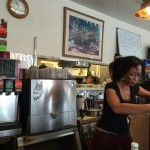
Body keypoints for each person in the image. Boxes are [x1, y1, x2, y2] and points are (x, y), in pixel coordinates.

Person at [90, 56, 150, 150]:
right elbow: (117, 107)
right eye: (132, 74)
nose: (136, 78)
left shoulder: (134, 87)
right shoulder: (111, 87)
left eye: (138, 75)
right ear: (123, 73)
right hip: (104, 136)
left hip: (124, 136)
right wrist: (148, 107)